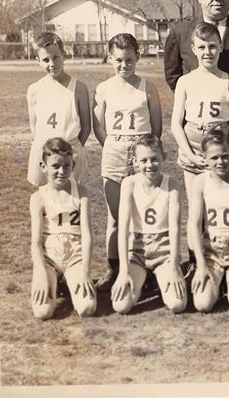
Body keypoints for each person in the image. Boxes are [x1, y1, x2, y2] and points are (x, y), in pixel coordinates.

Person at [93, 33, 162, 289]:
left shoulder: (147, 88)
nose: (124, 65)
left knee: (142, 214)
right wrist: (113, 145)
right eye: (119, 60)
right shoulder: (103, 89)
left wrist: (142, 152)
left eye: (129, 59)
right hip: (114, 152)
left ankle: (146, 267)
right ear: (110, 58)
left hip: (141, 154)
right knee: (115, 217)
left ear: (138, 57)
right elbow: (100, 127)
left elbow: (156, 128)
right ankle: (115, 267)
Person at [170, 22, 229, 251]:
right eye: (202, 47)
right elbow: (175, 123)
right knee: (196, 209)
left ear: (221, 47)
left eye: (212, 46)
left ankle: (225, 255)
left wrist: (226, 150)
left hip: (222, 149)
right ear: (193, 48)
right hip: (193, 149)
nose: (207, 52)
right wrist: (191, 156)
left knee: (222, 203)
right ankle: (197, 260)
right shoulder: (185, 81)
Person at [111, 135, 187, 314]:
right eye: (143, 160)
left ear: (164, 157)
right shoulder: (129, 184)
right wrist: (123, 271)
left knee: (177, 305)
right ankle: (143, 279)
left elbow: (175, 228)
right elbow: (122, 230)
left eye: (154, 159)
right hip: (137, 251)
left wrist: (175, 265)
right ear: (135, 162)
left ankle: (161, 279)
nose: (149, 165)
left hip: (163, 251)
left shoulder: (172, 185)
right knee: (120, 306)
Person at [188, 130, 229, 313]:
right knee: (202, 304)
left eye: (225, 156)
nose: (221, 162)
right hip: (212, 252)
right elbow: (194, 224)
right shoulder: (200, 181)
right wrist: (200, 265)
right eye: (215, 158)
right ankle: (218, 283)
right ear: (205, 158)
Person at [29, 137, 97, 319]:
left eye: (66, 166)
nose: (61, 171)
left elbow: (88, 236)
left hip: (74, 256)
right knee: (42, 312)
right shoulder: (38, 197)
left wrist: (85, 271)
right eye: (55, 166)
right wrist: (41, 271)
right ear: (44, 167)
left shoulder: (81, 193)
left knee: (87, 308)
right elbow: (35, 242)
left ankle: (70, 280)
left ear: (73, 165)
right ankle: (53, 281)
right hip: (49, 258)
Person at [26, 32, 91, 186]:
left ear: (64, 55)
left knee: (73, 202)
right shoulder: (34, 89)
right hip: (44, 154)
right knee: (46, 201)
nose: (52, 64)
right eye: (46, 60)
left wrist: (69, 152)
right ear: (38, 61)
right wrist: (47, 153)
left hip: (70, 155)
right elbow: (34, 127)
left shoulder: (79, 88)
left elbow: (86, 127)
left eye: (56, 57)